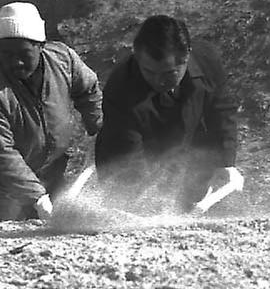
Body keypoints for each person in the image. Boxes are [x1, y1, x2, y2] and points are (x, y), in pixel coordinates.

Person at [0, 2, 102, 222]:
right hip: (4, 183)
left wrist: (98, 130)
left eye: (23, 54)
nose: (16, 62)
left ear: (41, 45)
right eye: (7, 54)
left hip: (53, 170)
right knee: (7, 240)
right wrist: (37, 198)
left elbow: (89, 91)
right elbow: (1, 152)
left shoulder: (63, 60)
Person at [95, 15, 242, 211]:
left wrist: (226, 162)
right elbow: (126, 152)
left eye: (168, 73)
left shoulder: (207, 61)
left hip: (186, 149)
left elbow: (223, 111)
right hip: (134, 155)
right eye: (149, 72)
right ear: (138, 58)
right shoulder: (120, 88)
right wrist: (145, 200)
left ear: (186, 57)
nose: (158, 81)